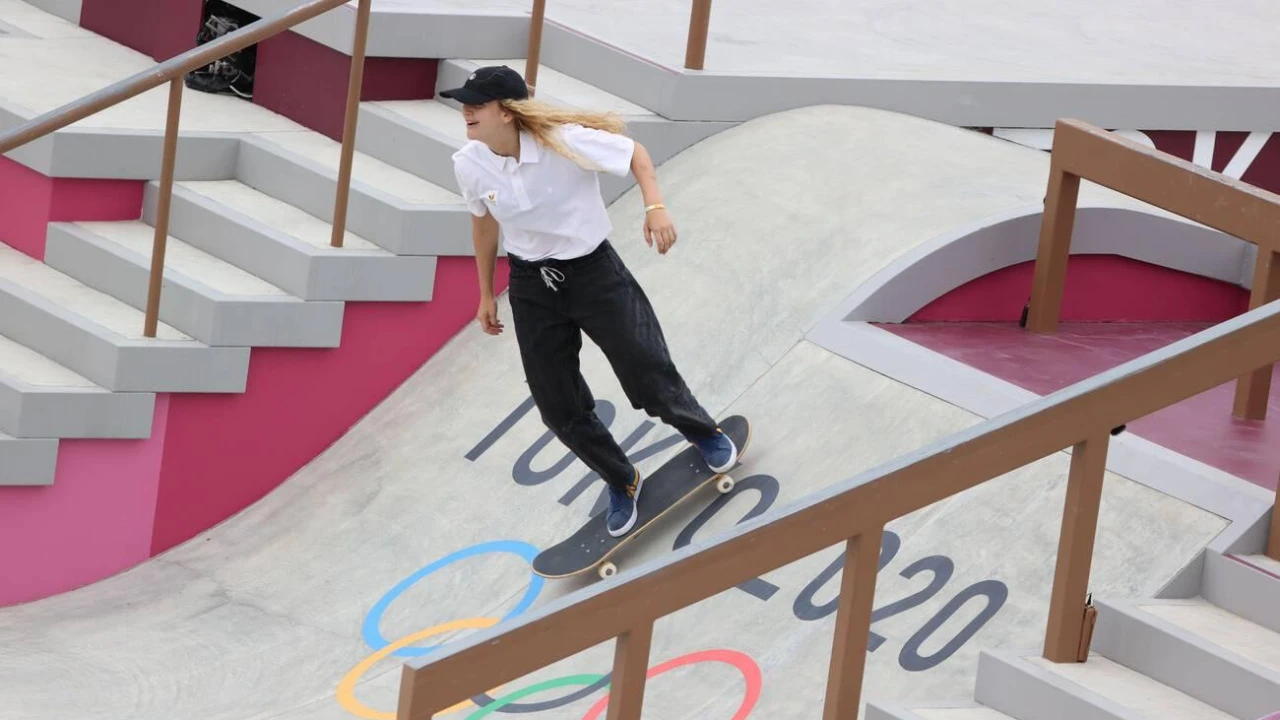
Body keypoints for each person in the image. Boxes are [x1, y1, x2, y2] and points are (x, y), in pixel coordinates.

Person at [441, 65, 737, 537]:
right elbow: (483, 224)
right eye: (464, 102)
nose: (466, 110)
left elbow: (635, 153)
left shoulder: (564, 141)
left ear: (509, 111)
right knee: (557, 405)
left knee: (645, 369)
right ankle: (623, 480)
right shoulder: (469, 162)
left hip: (593, 273)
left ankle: (703, 431)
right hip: (532, 288)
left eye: (477, 103)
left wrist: (655, 206)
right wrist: (484, 293)